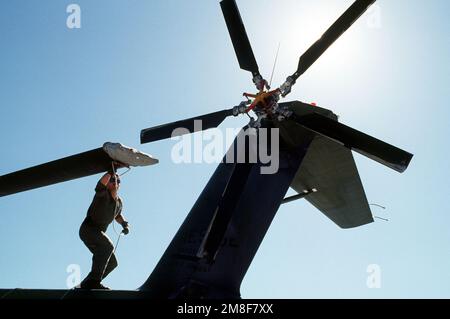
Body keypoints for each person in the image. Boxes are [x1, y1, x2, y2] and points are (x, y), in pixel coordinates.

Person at [79, 165, 130, 290]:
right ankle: (93, 281)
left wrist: (124, 224)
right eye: (112, 180)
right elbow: (99, 185)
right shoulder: (102, 195)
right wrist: (110, 171)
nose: (115, 183)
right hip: (88, 230)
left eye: (118, 181)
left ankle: (87, 283)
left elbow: (117, 215)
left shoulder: (119, 202)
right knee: (107, 246)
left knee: (112, 263)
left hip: (98, 233)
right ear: (108, 183)